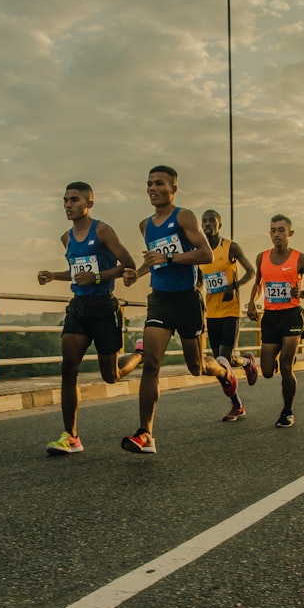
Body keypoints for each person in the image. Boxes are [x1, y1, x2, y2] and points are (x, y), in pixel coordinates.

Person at [120, 165, 242, 454]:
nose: (152, 188)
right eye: (149, 183)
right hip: (160, 300)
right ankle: (145, 434)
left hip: (187, 300)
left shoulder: (183, 216)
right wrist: (135, 274)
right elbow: (154, 260)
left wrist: (170, 257)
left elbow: (205, 253)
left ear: (173, 189)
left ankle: (225, 372)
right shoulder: (145, 225)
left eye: (159, 183)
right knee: (151, 365)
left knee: (197, 366)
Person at [38, 181, 142, 455]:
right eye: (65, 201)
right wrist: (53, 276)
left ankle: (139, 354)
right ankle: (71, 436)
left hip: (104, 308)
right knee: (68, 368)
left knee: (111, 375)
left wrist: (97, 277)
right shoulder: (67, 238)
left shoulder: (103, 230)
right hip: (79, 308)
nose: (68, 205)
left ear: (89, 203)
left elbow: (128, 265)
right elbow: (75, 272)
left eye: (73, 200)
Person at [246, 214, 304, 427]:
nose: (277, 234)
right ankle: (278, 357)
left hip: (291, 315)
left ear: (290, 233)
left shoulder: (300, 259)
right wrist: (252, 301)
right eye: (273, 230)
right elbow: (258, 282)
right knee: (268, 371)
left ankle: (287, 412)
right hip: (270, 317)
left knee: (286, 366)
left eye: (281, 230)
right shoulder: (262, 258)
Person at [197, 208, 258, 420]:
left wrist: (235, 285)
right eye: (204, 221)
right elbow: (199, 280)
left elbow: (251, 271)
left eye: (211, 221)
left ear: (219, 225)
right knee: (221, 363)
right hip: (211, 312)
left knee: (223, 359)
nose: (207, 224)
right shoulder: (200, 251)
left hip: (230, 310)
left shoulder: (230, 247)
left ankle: (236, 404)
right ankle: (247, 364)